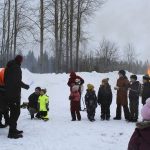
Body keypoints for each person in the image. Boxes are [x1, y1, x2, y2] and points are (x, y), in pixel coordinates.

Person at [4, 55, 30, 139]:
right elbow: (17, 81)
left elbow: (7, 80)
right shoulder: (16, 68)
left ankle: (13, 129)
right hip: (14, 94)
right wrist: (25, 86)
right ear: (20, 60)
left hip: (9, 93)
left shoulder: (9, 66)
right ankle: (11, 133)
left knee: (14, 112)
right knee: (15, 113)